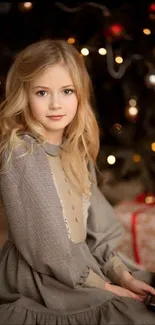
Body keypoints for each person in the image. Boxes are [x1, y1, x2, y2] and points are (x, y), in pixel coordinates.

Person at [0, 39, 155, 325]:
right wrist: (105, 287)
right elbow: (48, 250)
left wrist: (121, 275)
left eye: (67, 91)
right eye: (42, 92)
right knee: (131, 316)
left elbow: (98, 230)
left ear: (80, 95)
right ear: (25, 95)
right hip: (42, 277)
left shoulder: (75, 152)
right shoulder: (21, 152)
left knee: (142, 296)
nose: (56, 104)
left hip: (80, 266)